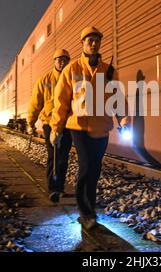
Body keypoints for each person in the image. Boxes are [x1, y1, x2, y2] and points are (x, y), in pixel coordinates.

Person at [49, 27, 129, 230]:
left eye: (96, 40)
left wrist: (124, 120)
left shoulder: (109, 71)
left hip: (101, 127)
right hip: (79, 127)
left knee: (95, 169)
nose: (93, 43)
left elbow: (117, 98)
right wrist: (56, 128)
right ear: (82, 43)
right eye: (89, 40)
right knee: (85, 167)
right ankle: (86, 213)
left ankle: (89, 209)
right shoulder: (72, 69)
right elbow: (61, 102)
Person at [27, 49, 72, 203]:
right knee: (53, 155)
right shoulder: (44, 80)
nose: (62, 62)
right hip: (49, 123)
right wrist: (30, 122)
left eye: (65, 59)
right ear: (54, 61)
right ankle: (53, 189)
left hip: (67, 123)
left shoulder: (73, 78)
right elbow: (35, 102)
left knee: (64, 157)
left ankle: (60, 187)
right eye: (59, 59)